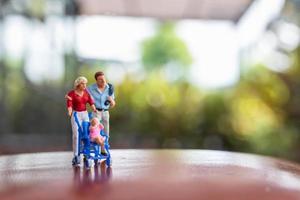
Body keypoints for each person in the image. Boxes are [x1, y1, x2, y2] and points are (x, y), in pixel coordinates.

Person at [66, 76, 97, 166]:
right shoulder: (71, 93)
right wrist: (70, 110)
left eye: (85, 84)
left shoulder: (86, 93)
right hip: (76, 114)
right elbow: (69, 103)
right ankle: (76, 155)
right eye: (83, 83)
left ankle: (86, 152)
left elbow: (90, 101)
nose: (84, 85)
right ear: (78, 84)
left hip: (84, 114)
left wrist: (94, 108)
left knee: (86, 134)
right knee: (76, 134)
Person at [87, 71, 116, 137]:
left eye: (104, 78)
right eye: (100, 79)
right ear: (96, 81)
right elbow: (83, 95)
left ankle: (105, 145)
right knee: (95, 129)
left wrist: (111, 101)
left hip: (105, 112)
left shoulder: (109, 88)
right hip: (96, 111)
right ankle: (96, 144)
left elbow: (113, 104)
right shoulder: (91, 88)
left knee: (106, 130)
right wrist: (90, 100)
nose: (103, 81)